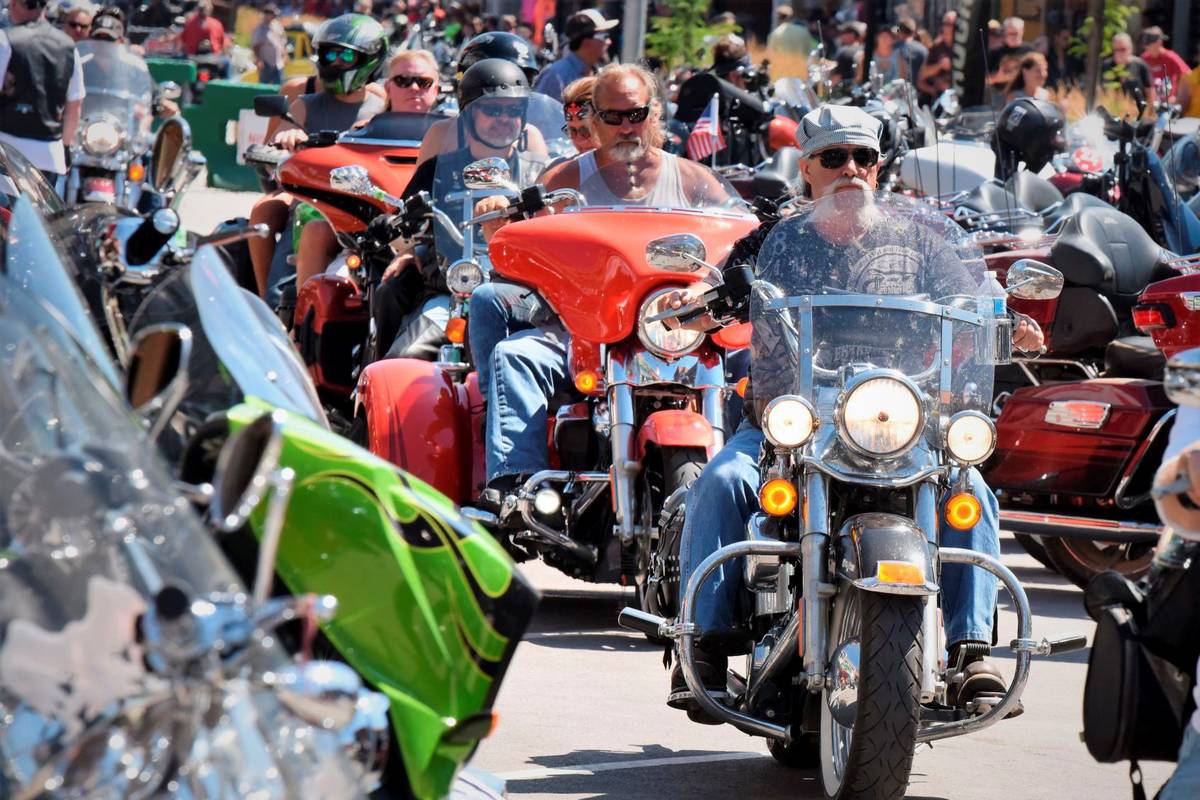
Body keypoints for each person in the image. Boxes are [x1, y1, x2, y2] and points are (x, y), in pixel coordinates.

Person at [660, 103, 1046, 718]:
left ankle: (973, 652)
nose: (851, 170)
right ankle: (703, 646)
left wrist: (1009, 321)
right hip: (792, 420)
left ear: (879, 167)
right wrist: (702, 304)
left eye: (864, 157)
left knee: (969, 488)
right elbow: (719, 292)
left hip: (900, 421)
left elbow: (979, 299)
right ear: (806, 168)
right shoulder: (774, 242)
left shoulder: (921, 241)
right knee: (723, 480)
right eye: (833, 158)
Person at [469, 62, 728, 509]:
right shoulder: (565, 180)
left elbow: (736, 238)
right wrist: (500, 218)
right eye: (613, 117)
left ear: (653, 113)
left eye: (637, 114)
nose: (627, 127)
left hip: (677, 331)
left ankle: (762, 481)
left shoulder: (690, 178)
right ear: (594, 120)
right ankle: (518, 487)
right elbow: (521, 243)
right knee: (516, 356)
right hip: (582, 329)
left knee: (754, 360)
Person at [372, 58, 548, 360]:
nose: (504, 118)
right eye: (492, 109)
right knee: (402, 360)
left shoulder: (540, 174)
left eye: (513, 109)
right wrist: (406, 242)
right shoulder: (440, 169)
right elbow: (406, 218)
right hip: (452, 293)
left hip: (526, 297)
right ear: (468, 114)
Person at [253, 13, 387, 301]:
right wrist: (287, 138)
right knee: (267, 211)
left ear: (369, 59)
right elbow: (280, 134)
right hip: (310, 192)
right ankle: (271, 300)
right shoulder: (304, 100)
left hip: (364, 194)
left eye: (345, 56)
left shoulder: (381, 102)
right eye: (329, 54)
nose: (335, 62)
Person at [0, 0, 85, 184]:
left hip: (6, 149)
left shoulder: (5, 40)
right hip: (49, 154)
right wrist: (66, 147)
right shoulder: (69, 47)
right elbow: (75, 105)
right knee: (37, 214)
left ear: (15, 4)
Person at [532, 8, 615, 102]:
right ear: (586, 42)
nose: (609, 42)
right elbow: (541, 112)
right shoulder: (556, 74)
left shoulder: (599, 73)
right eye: (605, 36)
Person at [1101, 33, 1156, 106]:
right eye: (1116, 49)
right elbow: (1101, 91)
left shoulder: (1140, 65)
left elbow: (1149, 90)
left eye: (1123, 49)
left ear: (1130, 48)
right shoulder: (1106, 65)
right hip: (1114, 109)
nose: (1119, 53)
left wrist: (1150, 110)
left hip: (1137, 110)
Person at [178, 0, 230, 78]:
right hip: (212, 58)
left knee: (176, 63)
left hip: (192, 57)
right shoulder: (216, 23)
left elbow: (183, 41)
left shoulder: (190, 22)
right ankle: (226, 87)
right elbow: (224, 43)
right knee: (227, 63)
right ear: (210, 10)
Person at [987, 17, 1033, 100]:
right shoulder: (996, 52)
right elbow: (985, 79)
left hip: (1023, 95)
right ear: (1005, 32)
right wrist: (996, 78)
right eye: (1011, 33)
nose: (1014, 36)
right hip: (999, 95)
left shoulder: (1029, 51)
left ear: (1022, 31)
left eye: (1017, 33)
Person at [1140, 26, 1188, 103]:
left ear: (1160, 42)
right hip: (1150, 101)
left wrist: (1177, 96)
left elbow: (1187, 75)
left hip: (1167, 102)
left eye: (1150, 44)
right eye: (1146, 44)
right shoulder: (1144, 58)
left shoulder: (1170, 57)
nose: (1147, 47)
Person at [917, 10, 955, 99]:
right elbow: (921, 76)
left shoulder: (964, 47)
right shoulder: (936, 48)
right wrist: (940, 65)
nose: (946, 27)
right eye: (945, 24)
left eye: (951, 24)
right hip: (940, 97)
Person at [557, 75, 598, 157]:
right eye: (572, 131)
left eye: (586, 131)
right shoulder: (561, 167)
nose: (579, 140)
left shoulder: (630, 167)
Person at [251, 3, 287, 85]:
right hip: (265, 64)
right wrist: (258, 60)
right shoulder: (260, 29)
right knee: (263, 88)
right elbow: (255, 46)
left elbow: (282, 42)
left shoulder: (277, 26)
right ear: (267, 14)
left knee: (279, 88)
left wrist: (285, 55)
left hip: (278, 63)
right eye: (272, 14)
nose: (274, 16)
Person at [829, 20, 864, 86]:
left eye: (843, 33)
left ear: (852, 35)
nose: (841, 36)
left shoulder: (844, 51)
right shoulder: (864, 49)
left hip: (845, 89)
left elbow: (836, 77)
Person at [894, 17, 927, 83]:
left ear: (899, 31)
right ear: (914, 32)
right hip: (916, 91)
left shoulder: (892, 48)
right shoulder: (923, 50)